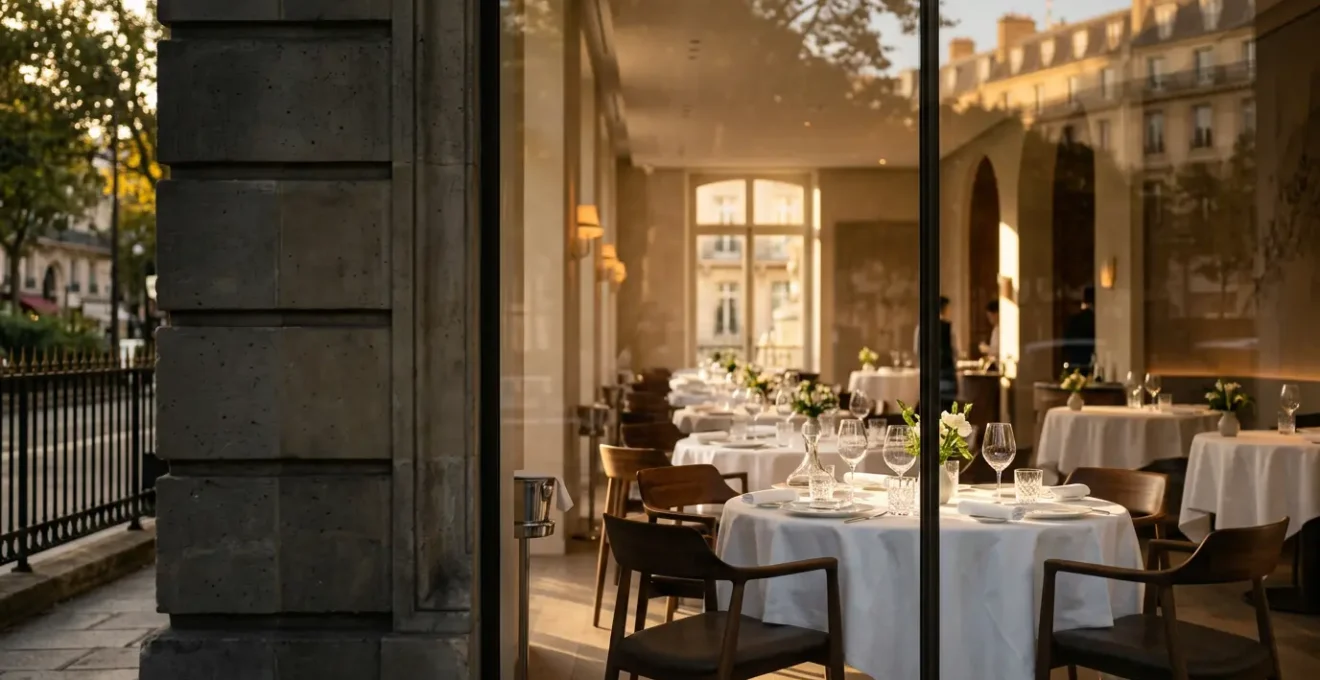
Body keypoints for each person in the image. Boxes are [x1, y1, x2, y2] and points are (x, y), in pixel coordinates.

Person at [912, 296, 959, 411]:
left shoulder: (922, 327)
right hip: (946, 373)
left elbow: (917, 350)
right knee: (946, 411)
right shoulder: (949, 327)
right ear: (945, 308)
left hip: (928, 374)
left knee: (929, 407)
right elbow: (955, 350)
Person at [1062, 286, 1096, 370]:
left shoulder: (1074, 320)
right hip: (1089, 363)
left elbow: (1066, 342)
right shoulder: (1095, 319)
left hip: (1074, 361)